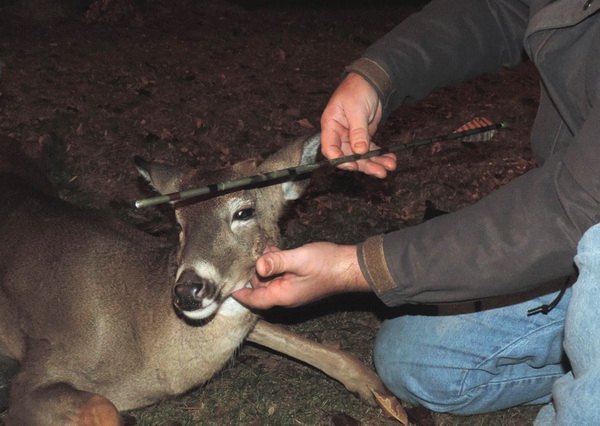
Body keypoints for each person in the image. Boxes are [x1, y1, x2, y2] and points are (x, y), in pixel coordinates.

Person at [234, 0, 600, 422]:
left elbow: (571, 206)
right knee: (417, 362)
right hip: (578, 221)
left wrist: (355, 267)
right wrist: (376, 76)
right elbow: (504, 7)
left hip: (585, 218)